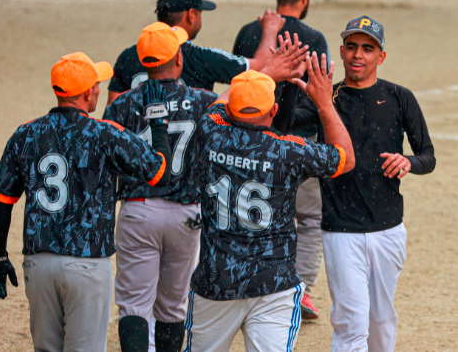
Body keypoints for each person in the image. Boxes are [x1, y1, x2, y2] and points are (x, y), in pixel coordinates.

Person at [102, 23, 307, 352]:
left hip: (138, 208)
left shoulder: (122, 105)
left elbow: (107, 155)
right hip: (186, 215)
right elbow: (239, 104)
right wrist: (268, 73)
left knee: (134, 307)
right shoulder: (200, 101)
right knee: (172, 306)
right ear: (179, 60)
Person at [0, 51, 173, 352]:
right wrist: (159, 122)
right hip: (87, 265)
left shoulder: (25, 134)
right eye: (96, 84)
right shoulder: (105, 134)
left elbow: (1, 203)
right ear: (88, 92)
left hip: (40, 264)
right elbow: (160, 172)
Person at [281, 16, 436, 351]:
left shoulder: (399, 97)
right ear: (341, 50)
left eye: (368, 48)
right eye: (351, 46)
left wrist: (409, 161)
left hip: (388, 230)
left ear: (381, 56)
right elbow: (282, 123)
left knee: (380, 321)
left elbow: (428, 156)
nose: (358, 54)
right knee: (350, 323)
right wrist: (291, 84)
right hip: (340, 231)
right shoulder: (326, 98)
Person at [180, 63, 355, 352]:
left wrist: (265, 72)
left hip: (217, 278)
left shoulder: (208, 131)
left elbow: (219, 102)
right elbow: (345, 159)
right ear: (274, 111)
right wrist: (323, 102)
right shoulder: (287, 150)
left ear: (231, 110)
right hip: (273, 283)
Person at [230, 0, 331, 320]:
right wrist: (293, 122)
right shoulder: (313, 38)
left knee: (251, 214)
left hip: (246, 142)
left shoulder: (248, 33)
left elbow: (238, 86)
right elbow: (318, 95)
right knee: (310, 217)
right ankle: (300, 289)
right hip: (294, 144)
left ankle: (246, 278)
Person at [106, 0, 293, 104]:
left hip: (139, 158)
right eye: (200, 13)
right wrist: (270, 29)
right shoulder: (201, 58)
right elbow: (260, 66)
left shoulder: (128, 56)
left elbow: (112, 109)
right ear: (190, 15)